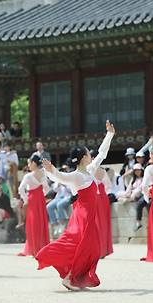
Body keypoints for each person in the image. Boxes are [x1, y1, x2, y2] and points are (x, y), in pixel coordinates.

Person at [36, 120, 115, 291]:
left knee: (91, 249)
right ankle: (70, 277)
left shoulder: (90, 170)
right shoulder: (76, 176)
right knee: (86, 247)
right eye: (88, 154)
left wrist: (109, 134)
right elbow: (60, 178)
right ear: (83, 158)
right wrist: (51, 170)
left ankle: (74, 277)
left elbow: (102, 153)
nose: (91, 156)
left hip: (88, 216)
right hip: (83, 217)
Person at [17, 154, 50, 257]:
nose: (28, 165)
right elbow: (47, 189)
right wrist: (41, 195)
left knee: (32, 223)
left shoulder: (28, 176)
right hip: (40, 200)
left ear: (34, 163)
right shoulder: (43, 174)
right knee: (41, 222)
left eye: (29, 163)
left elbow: (20, 189)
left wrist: (26, 199)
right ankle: (42, 247)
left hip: (32, 200)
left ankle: (33, 248)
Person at [93, 161, 113, 258]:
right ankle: (103, 250)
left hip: (93, 197)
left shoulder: (88, 170)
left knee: (95, 224)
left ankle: (97, 250)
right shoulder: (102, 171)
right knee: (103, 224)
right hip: (103, 197)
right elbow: (108, 186)